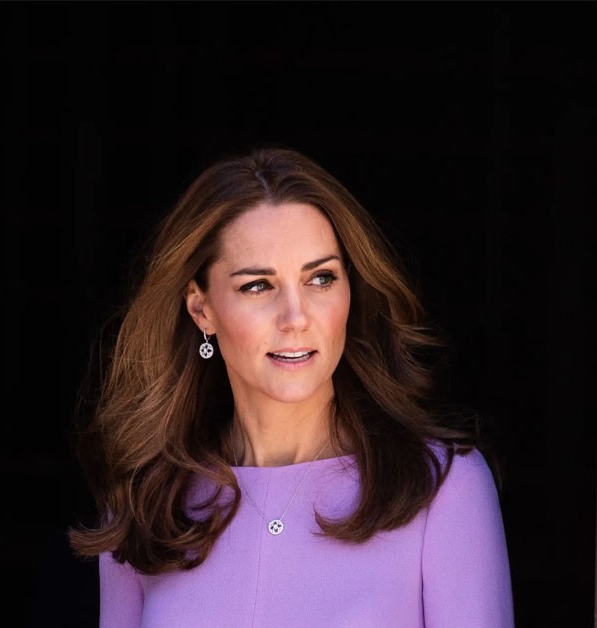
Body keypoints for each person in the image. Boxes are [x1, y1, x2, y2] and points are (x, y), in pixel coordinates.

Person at [70, 148, 513, 627]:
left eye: (321, 278)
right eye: (258, 286)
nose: (296, 318)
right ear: (202, 310)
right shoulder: (145, 503)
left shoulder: (441, 485)